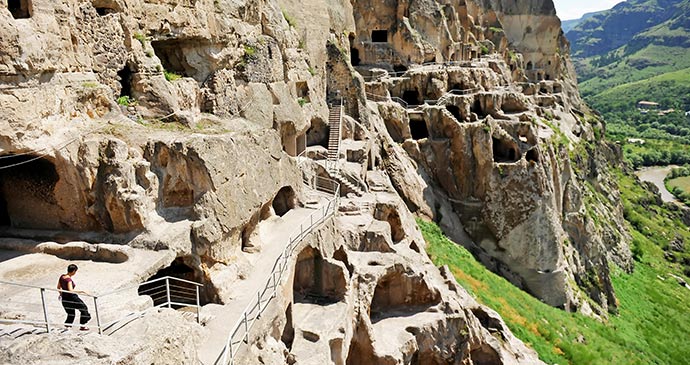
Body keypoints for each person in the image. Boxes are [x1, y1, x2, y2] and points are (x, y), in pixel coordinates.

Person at [57, 264, 91, 330]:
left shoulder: (62, 276)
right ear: (73, 271)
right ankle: (83, 325)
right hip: (72, 298)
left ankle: (68, 326)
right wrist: (82, 291)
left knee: (71, 312)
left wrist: (61, 294)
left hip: (65, 298)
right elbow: (71, 291)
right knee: (84, 308)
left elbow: (58, 287)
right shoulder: (68, 280)